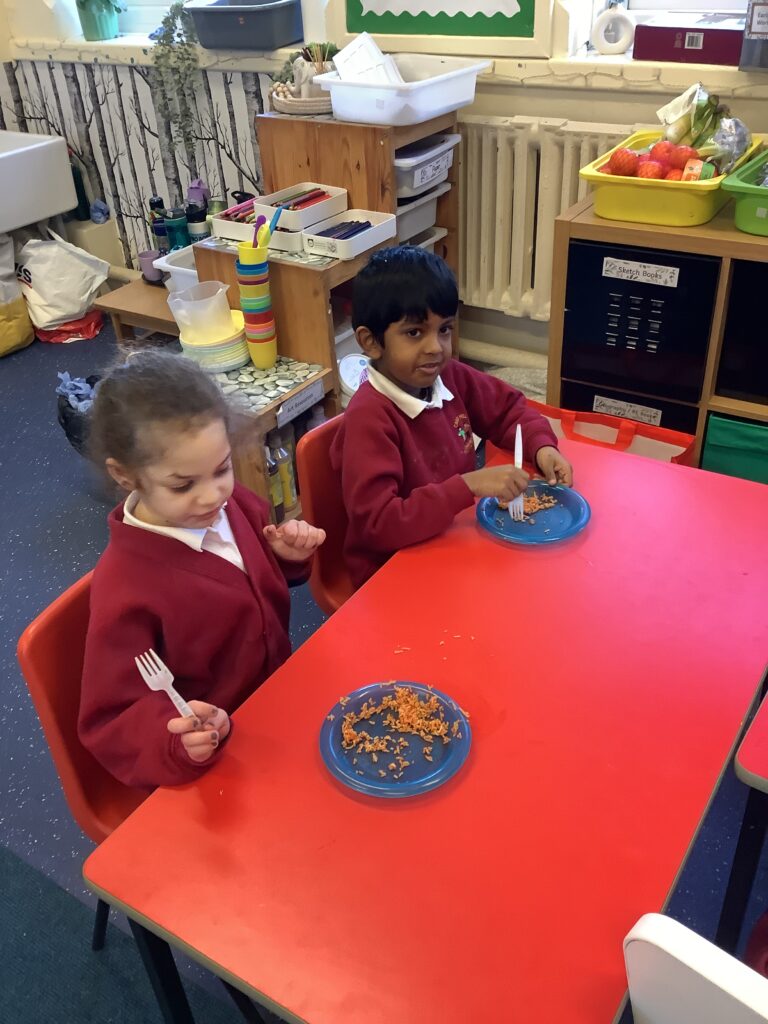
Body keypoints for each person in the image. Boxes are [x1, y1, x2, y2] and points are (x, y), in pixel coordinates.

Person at [78, 351, 325, 789]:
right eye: (182, 485)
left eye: (222, 469)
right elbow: (111, 718)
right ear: (126, 476)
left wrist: (287, 558)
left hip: (277, 699)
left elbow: (253, 592)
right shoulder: (125, 587)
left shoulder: (235, 507)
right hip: (217, 754)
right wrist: (175, 742)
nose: (212, 497)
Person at [330, 246, 573, 589]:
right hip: (391, 576)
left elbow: (508, 409)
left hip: (452, 540)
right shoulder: (369, 420)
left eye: (444, 329)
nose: (436, 347)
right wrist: (469, 486)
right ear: (371, 342)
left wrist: (542, 447)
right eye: (415, 333)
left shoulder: (449, 377)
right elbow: (379, 524)